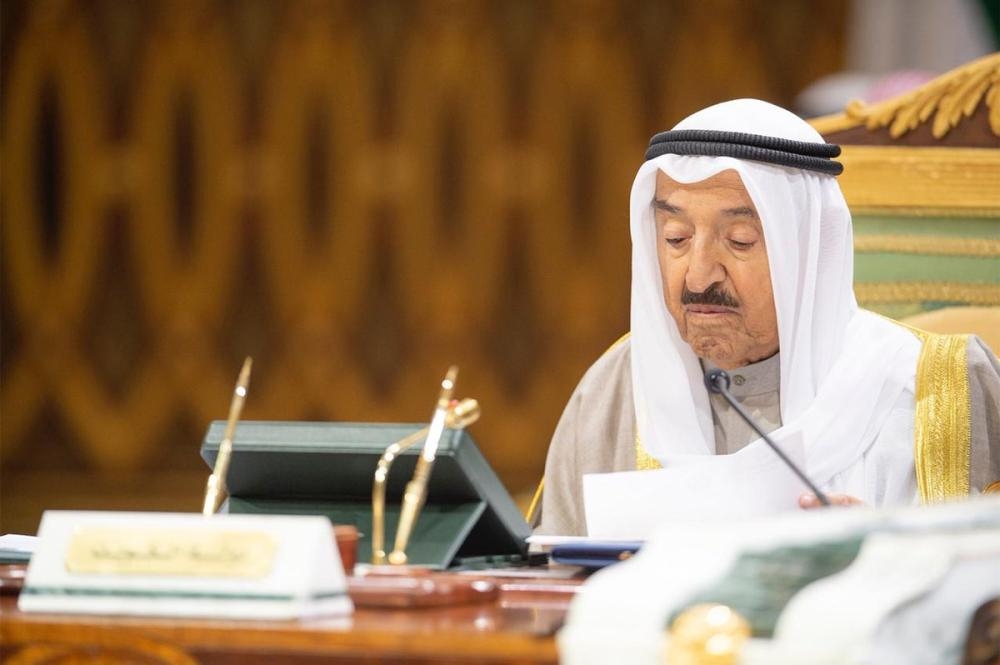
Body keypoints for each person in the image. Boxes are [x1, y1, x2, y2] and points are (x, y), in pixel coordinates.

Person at [535, 99, 1000, 536]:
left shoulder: (942, 387)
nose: (697, 276)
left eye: (739, 241)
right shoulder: (617, 387)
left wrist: (885, 555)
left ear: (808, 252)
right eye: (675, 238)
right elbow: (542, 582)